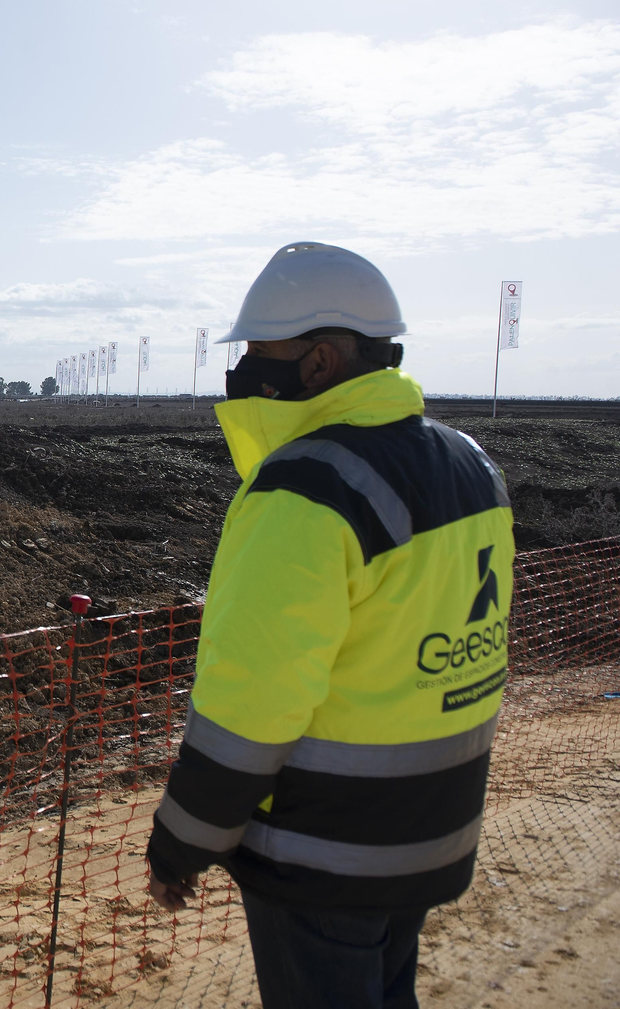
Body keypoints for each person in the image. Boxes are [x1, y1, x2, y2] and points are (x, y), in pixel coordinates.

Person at [143, 242, 514, 1009]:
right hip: (429, 832)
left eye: (257, 351)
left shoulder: (306, 492)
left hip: (324, 854)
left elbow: (253, 703)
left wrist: (183, 843)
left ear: (318, 362)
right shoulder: (470, 465)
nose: (243, 370)